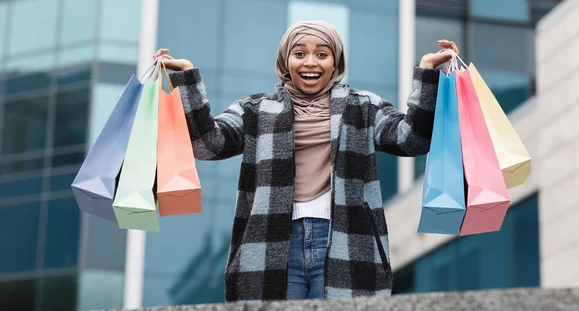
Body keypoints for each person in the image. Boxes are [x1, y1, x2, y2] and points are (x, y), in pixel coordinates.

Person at [155, 20, 459, 302]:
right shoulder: (255, 109)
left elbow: (412, 139)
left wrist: (427, 72)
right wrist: (187, 82)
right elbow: (208, 145)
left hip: (346, 240)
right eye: (299, 53)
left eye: (322, 54)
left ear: (335, 63)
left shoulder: (362, 106)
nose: (310, 62)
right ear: (286, 61)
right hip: (271, 244)